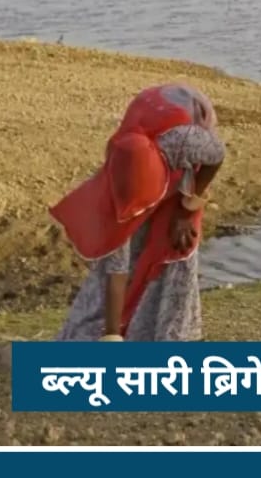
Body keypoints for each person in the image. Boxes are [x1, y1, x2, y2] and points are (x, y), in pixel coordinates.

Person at [50, 84, 225, 341]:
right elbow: (116, 269)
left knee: (174, 247)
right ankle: (121, 326)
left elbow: (216, 155)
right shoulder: (113, 190)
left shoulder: (184, 142)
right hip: (148, 154)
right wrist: (111, 335)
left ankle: (170, 333)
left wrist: (187, 208)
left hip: (178, 136)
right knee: (122, 256)